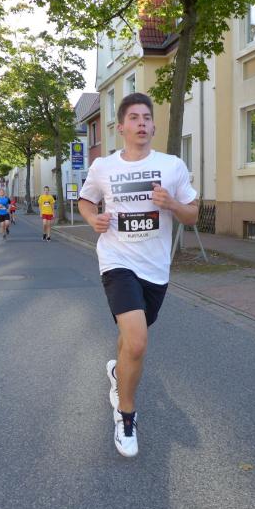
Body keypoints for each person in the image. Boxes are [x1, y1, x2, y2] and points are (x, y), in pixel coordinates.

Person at [78, 92, 198, 457]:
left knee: (130, 339)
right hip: (117, 261)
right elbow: (86, 200)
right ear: (121, 127)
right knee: (137, 342)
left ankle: (118, 373)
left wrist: (172, 204)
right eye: (134, 117)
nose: (142, 123)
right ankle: (126, 415)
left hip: (155, 268)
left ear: (154, 126)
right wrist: (92, 219)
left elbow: (193, 214)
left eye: (147, 117)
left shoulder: (172, 166)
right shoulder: (103, 167)